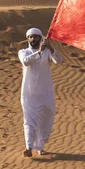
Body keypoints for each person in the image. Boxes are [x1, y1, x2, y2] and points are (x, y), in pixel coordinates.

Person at [18, 27, 64, 157]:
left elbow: (59, 61)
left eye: (36, 36)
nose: (33, 39)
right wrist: (39, 52)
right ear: (27, 38)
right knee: (29, 119)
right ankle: (29, 147)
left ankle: (40, 146)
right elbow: (26, 62)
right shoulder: (23, 52)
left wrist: (51, 49)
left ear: (40, 38)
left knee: (47, 116)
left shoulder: (47, 53)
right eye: (31, 37)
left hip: (45, 92)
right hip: (29, 93)